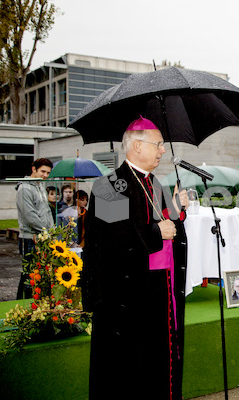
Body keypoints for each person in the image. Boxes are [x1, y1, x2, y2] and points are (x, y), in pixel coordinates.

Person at [82, 116, 189, 400]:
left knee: (155, 366)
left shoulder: (155, 182)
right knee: (127, 372)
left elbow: (167, 223)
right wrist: (157, 232)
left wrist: (178, 209)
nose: (163, 151)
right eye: (158, 144)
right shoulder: (109, 185)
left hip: (158, 292)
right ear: (137, 145)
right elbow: (115, 243)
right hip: (125, 297)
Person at [15, 158, 54, 299]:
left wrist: (52, 230)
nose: (45, 175)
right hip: (30, 239)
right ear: (34, 169)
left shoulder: (40, 186)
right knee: (28, 276)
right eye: (42, 171)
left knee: (39, 276)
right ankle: (21, 306)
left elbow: (47, 212)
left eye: (48, 173)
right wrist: (47, 231)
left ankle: (34, 307)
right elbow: (29, 216)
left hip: (42, 237)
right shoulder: (24, 188)